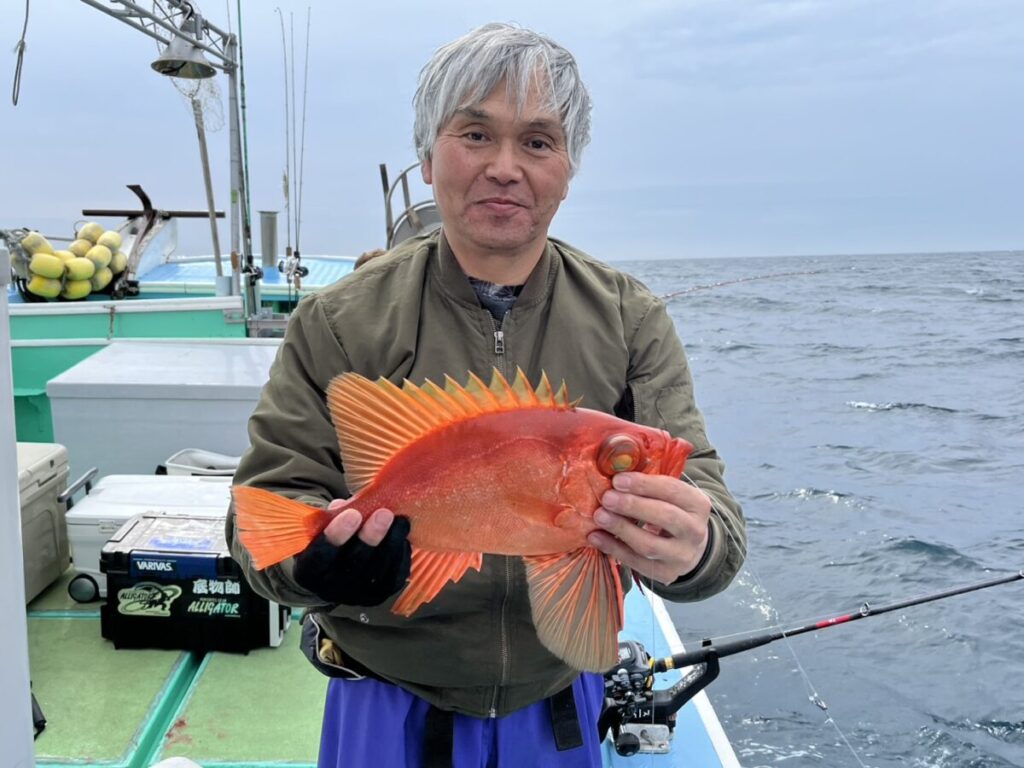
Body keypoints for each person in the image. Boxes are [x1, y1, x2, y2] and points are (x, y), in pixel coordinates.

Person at [226, 21, 746, 768]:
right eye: (476, 134)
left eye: (538, 142)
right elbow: (257, 524)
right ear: (429, 156)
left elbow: (714, 519)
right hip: (385, 693)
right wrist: (309, 570)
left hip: (558, 703)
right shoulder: (339, 321)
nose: (506, 167)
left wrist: (694, 548)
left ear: (568, 168)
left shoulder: (631, 318)